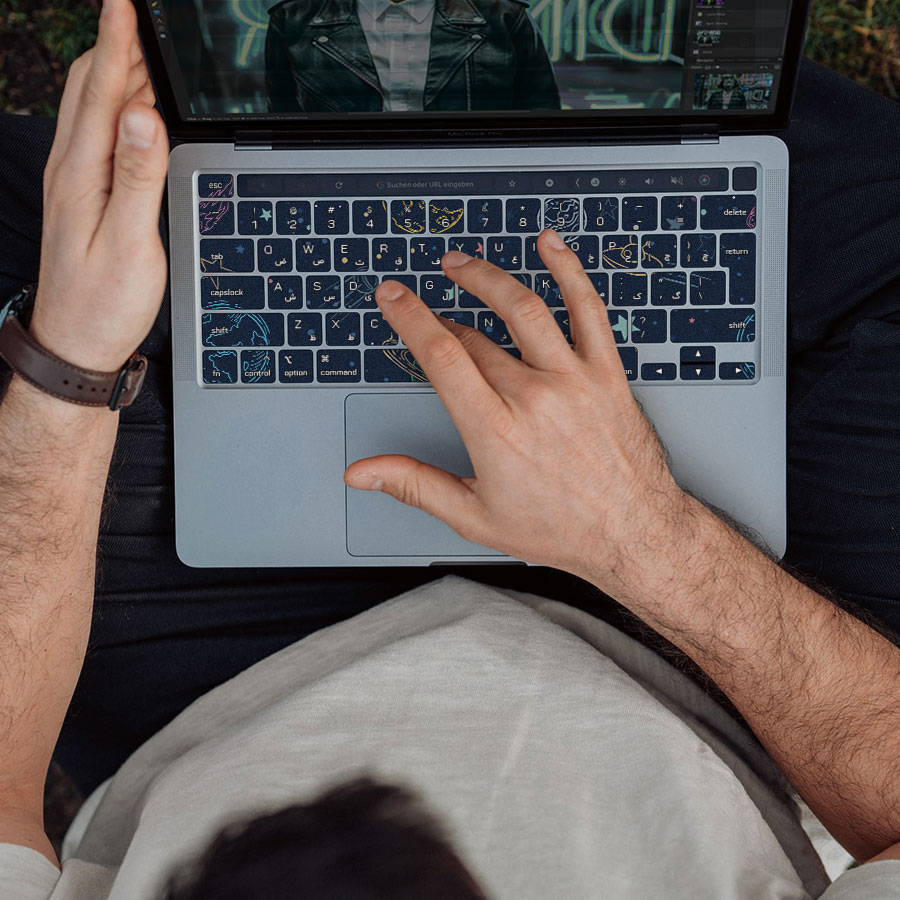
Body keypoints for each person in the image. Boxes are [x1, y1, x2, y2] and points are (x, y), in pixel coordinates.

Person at [1, 0, 900, 897]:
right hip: (697, 677)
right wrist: (644, 534)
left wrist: (70, 365)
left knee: (59, 216)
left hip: (215, 684)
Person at [264, 0, 561, 112]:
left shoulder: (505, 18)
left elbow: (543, 128)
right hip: (343, 189)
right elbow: (281, 132)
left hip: (473, 187)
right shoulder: (292, 21)